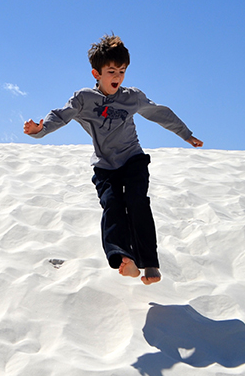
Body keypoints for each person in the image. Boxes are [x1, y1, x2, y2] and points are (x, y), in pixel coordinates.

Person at [24, 34, 203, 285]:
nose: (117, 76)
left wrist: (186, 134)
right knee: (112, 205)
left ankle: (149, 263)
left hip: (133, 159)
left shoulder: (132, 97)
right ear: (96, 73)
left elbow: (158, 113)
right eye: (111, 71)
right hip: (105, 166)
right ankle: (123, 259)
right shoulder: (84, 99)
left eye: (122, 70)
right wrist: (39, 131)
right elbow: (61, 115)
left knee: (137, 202)